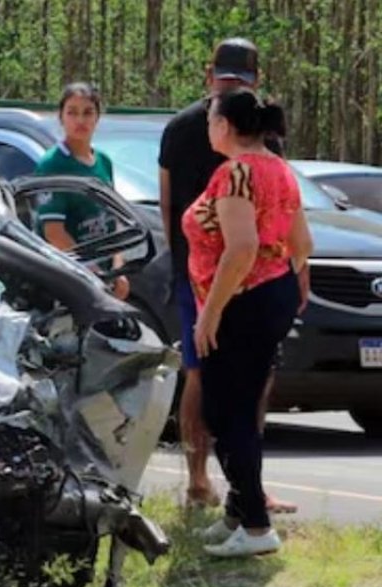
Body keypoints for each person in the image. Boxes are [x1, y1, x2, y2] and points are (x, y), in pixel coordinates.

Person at [158, 38, 298, 514]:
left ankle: (247, 493)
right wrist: (185, 266)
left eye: (238, 80)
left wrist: (298, 269)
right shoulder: (181, 128)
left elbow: (272, 229)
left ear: (255, 82)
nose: (229, 86)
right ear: (208, 75)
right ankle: (201, 482)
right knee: (203, 380)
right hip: (203, 276)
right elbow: (167, 203)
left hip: (247, 282)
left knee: (245, 386)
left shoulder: (254, 151)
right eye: (224, 77)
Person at [186, 90, 310, 557]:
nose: (207, 127)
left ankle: (257, 528)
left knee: (224, 412)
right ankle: (239, 512)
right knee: (239, 407)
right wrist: (275, 281)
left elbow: (241, 249)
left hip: (241, 302)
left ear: (226, 125)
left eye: (211, 119)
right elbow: (303, 243)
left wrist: (213, 311)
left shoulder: (236, 172)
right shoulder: (280, 168)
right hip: (268, 295)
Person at [32, 82, 130, 300]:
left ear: (98, 117)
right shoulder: (53, 165)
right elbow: (54, 233)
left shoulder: (103, 162)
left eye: (87, 113)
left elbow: (112, 220)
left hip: (102, 278)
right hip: (68, 278)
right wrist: (92, 273)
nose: (80, 120)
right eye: (72, 112)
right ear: (61, 117)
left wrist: (117, 268)